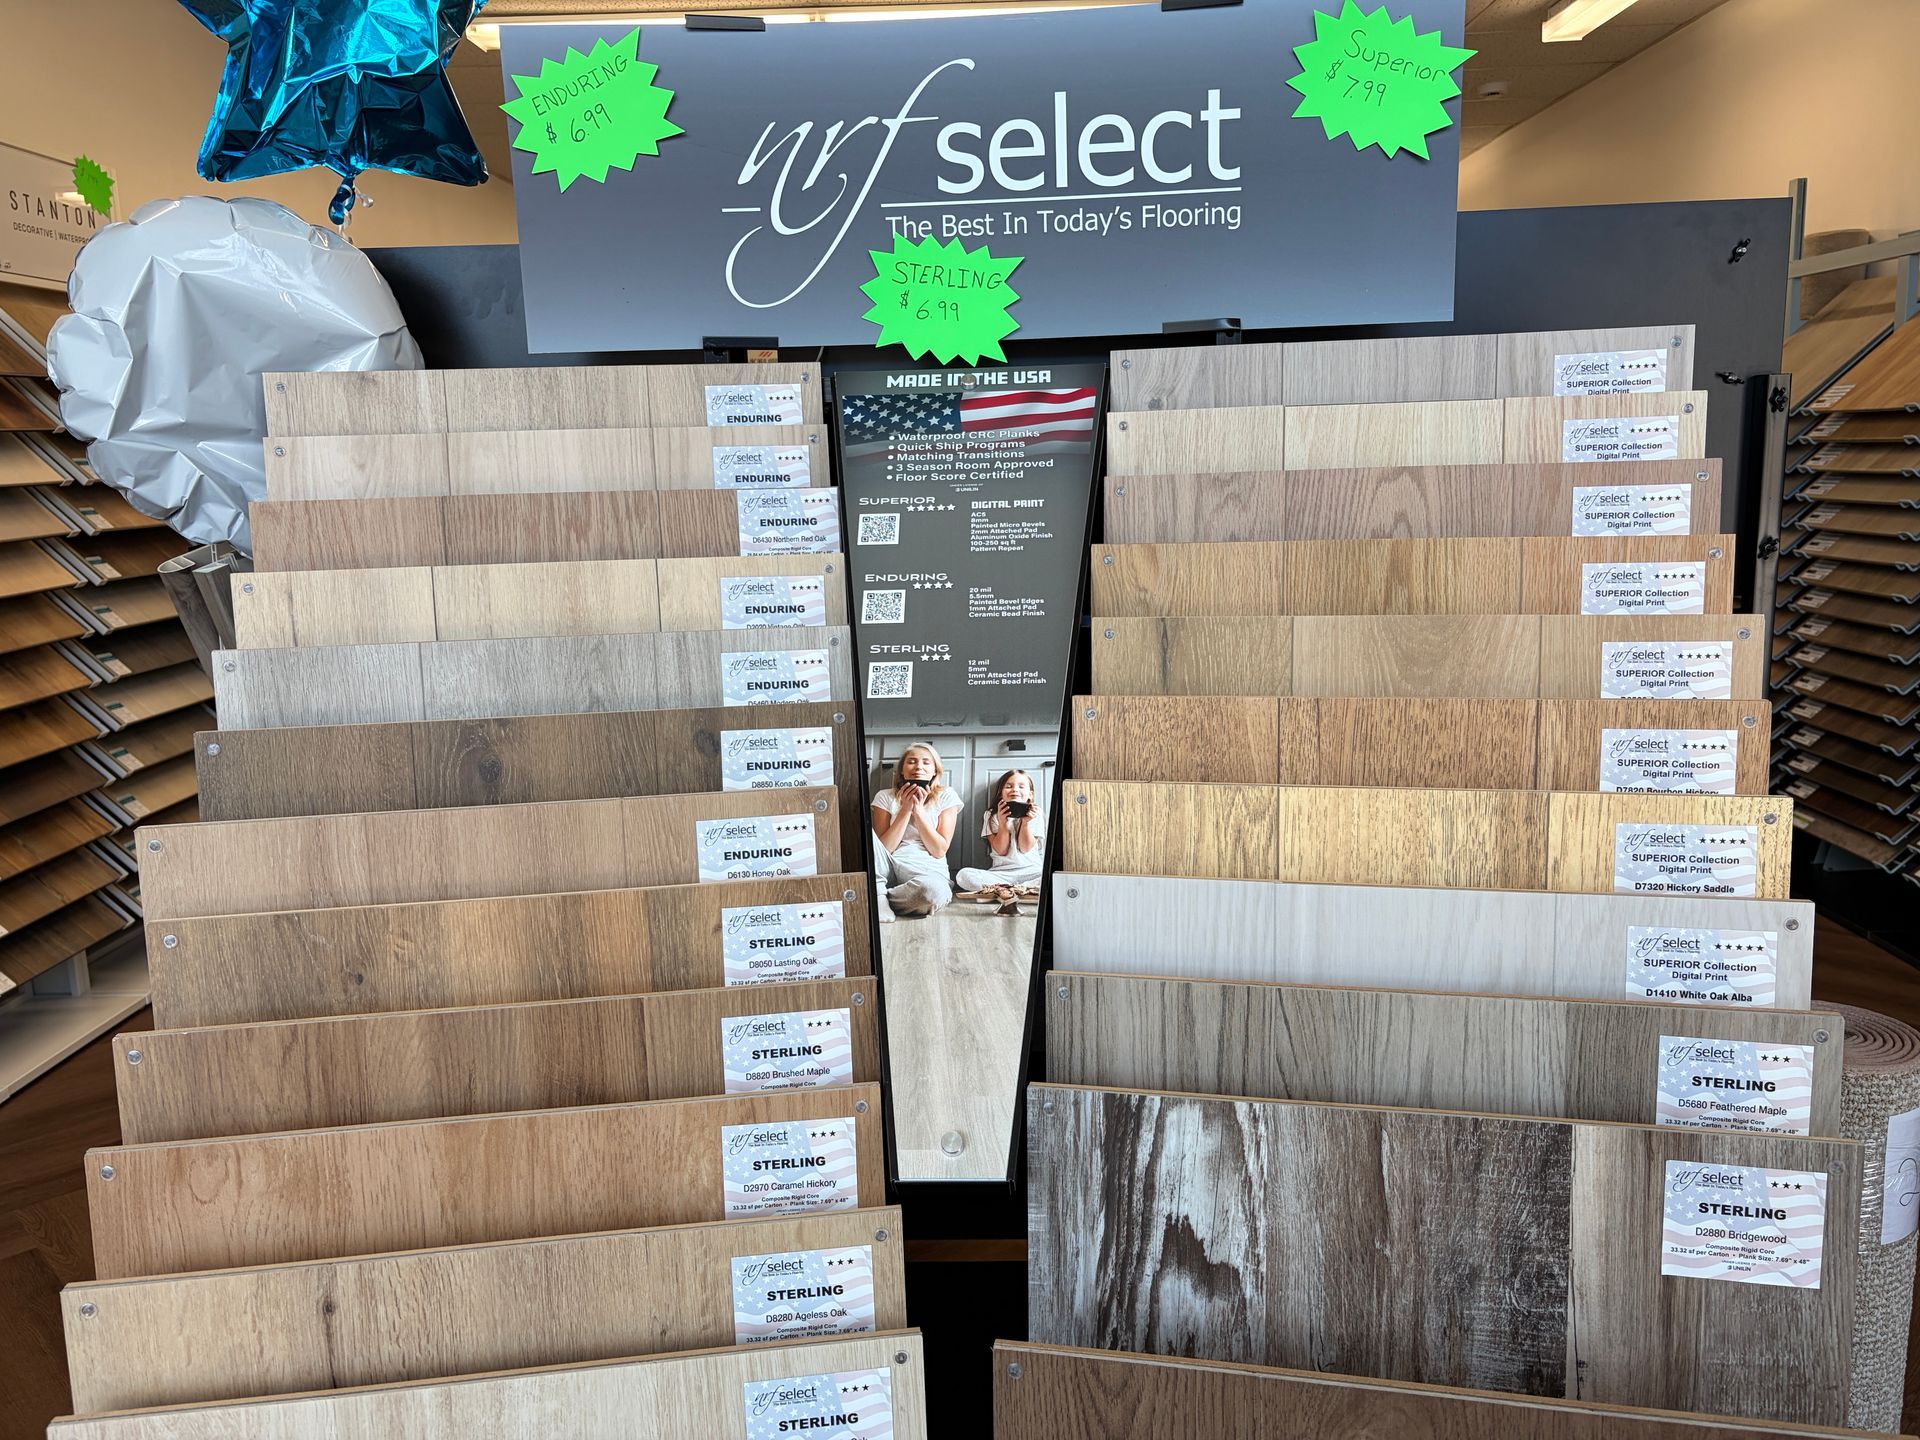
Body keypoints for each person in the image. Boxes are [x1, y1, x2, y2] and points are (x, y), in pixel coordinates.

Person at [870, 742, 961, 919]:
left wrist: (918, 811)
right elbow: (883, 849)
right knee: (866, 835)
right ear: (902, 770)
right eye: (911, 761)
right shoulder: (884, 796)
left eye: (926, 762)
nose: (918, 766)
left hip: (928, 872)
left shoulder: (947, 796)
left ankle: (879, 897)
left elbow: (939, 850)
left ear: (935, 770)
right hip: (889, 870)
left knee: (932, 892)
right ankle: (880, 895)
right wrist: (905, 809)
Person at [956, 769, 1044, 892]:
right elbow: (1001, 851)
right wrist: (1003, 822)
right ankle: (1019, 889)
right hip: (1001, 874)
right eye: (1008, 786)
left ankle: (1006, 890)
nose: (1015, 790)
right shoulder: (990, 815)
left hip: (1031, 871)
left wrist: (1025, 823)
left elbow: (1025, 848)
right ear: (1000, 793)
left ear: (1030, 795)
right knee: (963, 875)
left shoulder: (1036, 813)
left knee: (1048, 876)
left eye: (1021, 787)